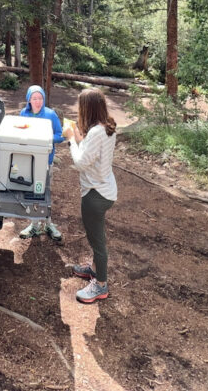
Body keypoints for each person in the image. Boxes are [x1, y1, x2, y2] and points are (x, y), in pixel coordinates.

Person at [65, 88, 117, 304]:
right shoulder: (106, 126)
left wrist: (70, 140)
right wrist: (78, 135)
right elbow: (92, 152)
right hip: (105, 189)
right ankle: (94, 270)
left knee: (98, 242)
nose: (79, 110)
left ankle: (101, 286)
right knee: (97, 238)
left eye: (81, 106)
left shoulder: (97, 132)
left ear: (88, 108)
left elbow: (80, 162)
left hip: (95, 194)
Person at [18, 84, 65, 241]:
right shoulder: (24, 114)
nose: (38, 101)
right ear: (29, 100)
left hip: (46, 160)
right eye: (34, 98)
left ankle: (48, 224)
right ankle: (34, 225)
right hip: (28, 160)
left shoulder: (50, 114)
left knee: (45, 191)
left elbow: (61, 135)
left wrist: (47, 138)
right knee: (33, 191)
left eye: (40, 98)